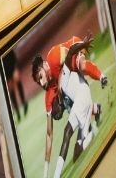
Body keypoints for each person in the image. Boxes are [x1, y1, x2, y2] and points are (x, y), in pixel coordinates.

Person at [32, 37, 108, 178]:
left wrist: (82, 45)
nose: (42, 83)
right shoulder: (48, 94)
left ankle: (101, 77)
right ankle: (96, 110)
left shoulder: (54, 57)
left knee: (81, 67)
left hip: (74, 49)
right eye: (39, 82)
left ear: (44, 65)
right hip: (72, 90)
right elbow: (49, 134)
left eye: (41, 77)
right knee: (68, 103)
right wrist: (45, 173)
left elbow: (70, 54)